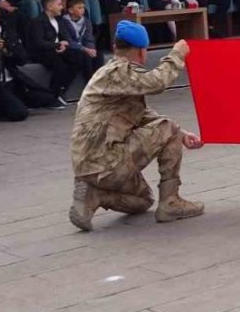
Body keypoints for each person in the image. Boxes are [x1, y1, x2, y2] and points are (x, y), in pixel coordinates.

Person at [68, 22, 204, 231]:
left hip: (88, 165)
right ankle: (171, 202)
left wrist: (182, 134)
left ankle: (95, 194)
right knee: (169, 127)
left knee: (143, 201)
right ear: (142, 51)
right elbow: (156, 83)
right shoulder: (120, 71)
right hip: (106, 162)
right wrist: (177, 54)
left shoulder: (107, 74)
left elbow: (141, 115)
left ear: (115, 47)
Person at [0, 4, 58, 122]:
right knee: (19, 113)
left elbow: (22, 58)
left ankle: (13, 102)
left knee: (47, 98)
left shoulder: (6, 31)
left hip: (11, 80)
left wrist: (7, 51)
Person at [29, 0, 83, 104]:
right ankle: (53, 95)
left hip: (59, 49)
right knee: (60, 66)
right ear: (50, 6)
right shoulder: (38, 21)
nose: (62, 7)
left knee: (79, 58)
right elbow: (38, 42)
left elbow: (64, 37)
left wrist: (64, 43)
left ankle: (62, 88)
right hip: (44, 52)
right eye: (59, 4)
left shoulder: (59, 20)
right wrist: (57, 45)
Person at [63, 0, 104, 79]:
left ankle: (98, 80)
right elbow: (68, 40)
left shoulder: (86, 21)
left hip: (85, 48)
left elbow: (89, 38)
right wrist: (84, 49)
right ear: (71, 10)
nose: (83, 10)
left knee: (98, 55)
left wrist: (91, 49)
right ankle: (89, 80)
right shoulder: (63, 22)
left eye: (83, 7)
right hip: (72, 49)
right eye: (79, 8)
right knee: (86, 56)